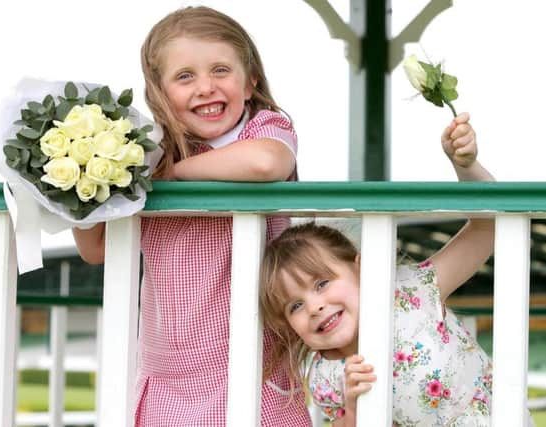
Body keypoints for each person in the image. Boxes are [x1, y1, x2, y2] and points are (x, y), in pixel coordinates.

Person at [72, 6, 311, 426]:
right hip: (169, 373)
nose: (205, 87)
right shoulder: (144, 155)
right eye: (185, 77)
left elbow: (265, 164)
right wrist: (77, 187)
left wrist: (166, 177)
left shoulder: (263, 128)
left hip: (255, 362)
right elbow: (95, 248)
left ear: (250, 80)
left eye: (221, 70)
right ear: (159, 92)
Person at [259, 113, 520, 426]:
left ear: (360, 268)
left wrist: (465, 166)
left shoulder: (413, 290)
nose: (314, 307)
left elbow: (486, 226)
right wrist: (354, 411)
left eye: (322, 283)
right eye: (295, 305)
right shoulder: (326, 376)